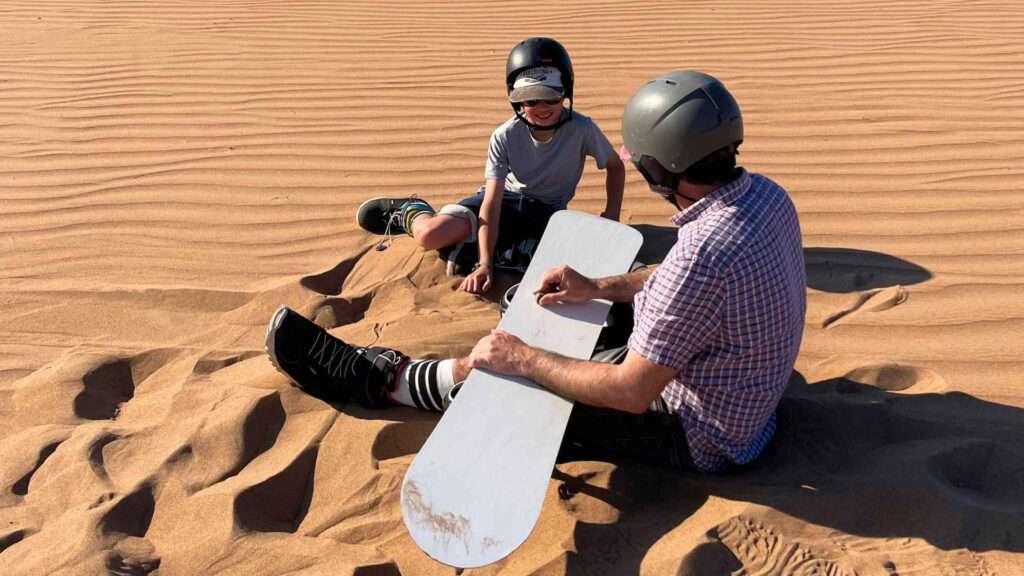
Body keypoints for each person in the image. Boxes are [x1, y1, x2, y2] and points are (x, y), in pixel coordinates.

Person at [266, 71, 806, 472]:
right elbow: (693, 280)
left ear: (660, 169)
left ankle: (385, 380)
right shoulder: (765, 196)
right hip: (744, 396)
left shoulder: (701, 257)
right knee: (539, 312)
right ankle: (540, 352)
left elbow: (632, 392)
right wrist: (599, 287)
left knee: (503, 378)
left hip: (698, 434)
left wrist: (522, 359)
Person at [355, 37, 625, 294]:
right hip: (505, 202)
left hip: (548, 214)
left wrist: (611, 215)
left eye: (551, 96)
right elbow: (492, 202)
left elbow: (615, 166)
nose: (542, 107)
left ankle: (482, 246)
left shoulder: (582, 129)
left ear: (565, 92)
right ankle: (412, 211)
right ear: (516, 99)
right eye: (531, 99)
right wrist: (484, 264)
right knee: (429, 236)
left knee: (576, 260)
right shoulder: (505, 135)